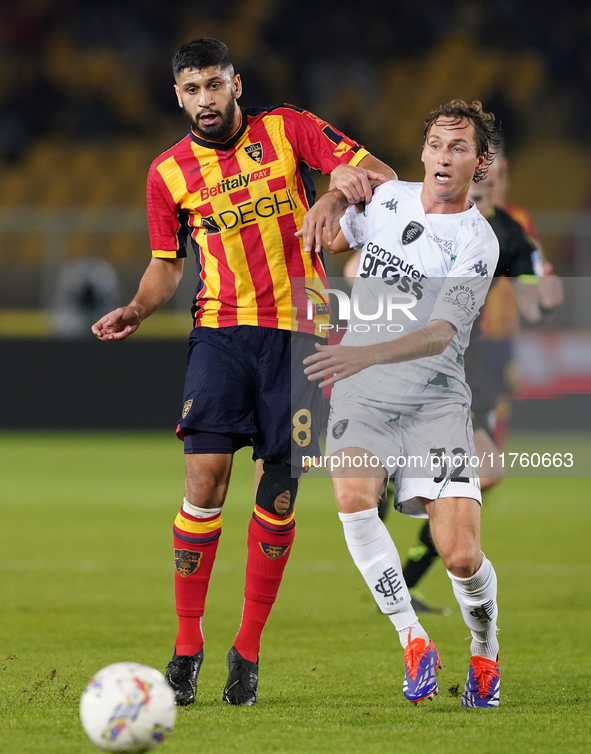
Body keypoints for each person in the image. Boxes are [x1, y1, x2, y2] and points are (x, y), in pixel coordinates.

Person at [92, 38, 394, 707]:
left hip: (302, 334)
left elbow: (380, 174)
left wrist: (339, 197)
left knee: (277, 493)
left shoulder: (288, 129)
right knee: (203, 482)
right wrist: (139, 307)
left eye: (214, 85)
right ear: (178, 95)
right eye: (191, 88)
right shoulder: (167, 173)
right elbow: (167, 261)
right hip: (221, 333)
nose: (205, 99)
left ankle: (247, 652)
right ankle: (187, 645)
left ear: (234, 83)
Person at [300, 100, 502, 708]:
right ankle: (413, 641)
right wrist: (335, 195)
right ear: (422, 152)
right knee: (353, 499)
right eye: (437, 144)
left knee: (461, 556)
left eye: (458, 147)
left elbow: (443, 332)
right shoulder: (388, 201)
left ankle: (485, 653)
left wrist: (365, 352)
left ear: (480, 162)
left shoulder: (477, 241)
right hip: (363, 393)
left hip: (434, 399)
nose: (445, 156)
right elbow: (334, 237)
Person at [400, 158, 564, 614]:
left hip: (465, 357)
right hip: (415, 347)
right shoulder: (428, 211)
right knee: (473, 474)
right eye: (479, 181)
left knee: (477, 475)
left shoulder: (509, 233)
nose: (483, 189)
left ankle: (405, 574)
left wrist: (546, 297)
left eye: (491, 183)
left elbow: (533, 303)